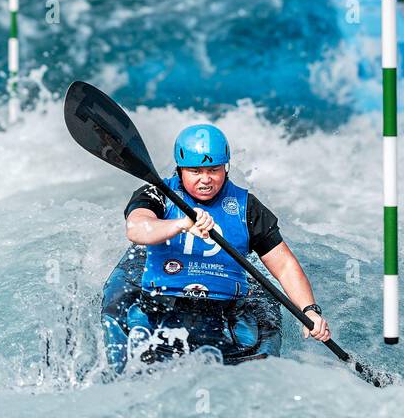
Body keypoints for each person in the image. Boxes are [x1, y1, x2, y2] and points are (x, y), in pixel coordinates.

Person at [100, 122, 331, 372]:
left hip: (223, 313)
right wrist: (181, 224)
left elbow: (284, 264)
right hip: (160, 304)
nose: (205, 180)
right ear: (180, 170)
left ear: (226, 168)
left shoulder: (247, 207)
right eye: (195, 171)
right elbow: (137, 229)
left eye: (213, 170)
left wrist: (310, 310)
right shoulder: (157, 194)